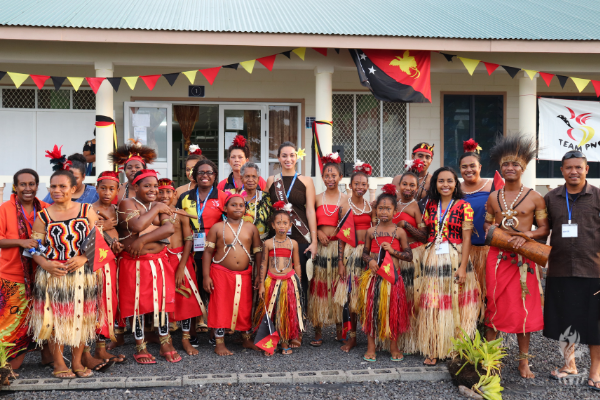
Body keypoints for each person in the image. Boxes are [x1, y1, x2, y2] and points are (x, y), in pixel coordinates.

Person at [29, 146, 111, 378]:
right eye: (53, 186)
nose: (57, 190)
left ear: (73, 188)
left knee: (81, 318)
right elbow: (34, 249)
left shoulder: (87, 210)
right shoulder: (43, 216)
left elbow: (99, 241)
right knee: (55, 320)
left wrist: (84, 257)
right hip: (54, 275)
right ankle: (58, 364)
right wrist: (45, 264)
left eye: (62, 186)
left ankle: (76, 362)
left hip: (83, 274)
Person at [483, 134, 549, 379]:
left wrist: (527, 235)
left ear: (523, 167)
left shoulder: (535, 197)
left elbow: (544, 228)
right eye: (505, 165)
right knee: (494, 305)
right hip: (497, 258)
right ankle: (491, 361)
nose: (510, 168)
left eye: (515, 164)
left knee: (524, 309)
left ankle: (523, 363)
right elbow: (487, 226)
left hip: (524, 259)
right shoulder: (493, 197)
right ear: (500, 168)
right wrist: (497, 233)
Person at [543, 150, 600, 390]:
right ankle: (570, 365)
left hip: (593, 269)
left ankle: (596, 372)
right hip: (559, 268)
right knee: (565, 320)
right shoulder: (551, 198)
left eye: (579, 167)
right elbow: (540, 229)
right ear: (562, 170)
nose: (573, 171)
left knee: (595, 324)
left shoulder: (598, 197)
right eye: (569, 167)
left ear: (587, 169)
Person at [116, 169, 181, 364]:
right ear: (135, 187)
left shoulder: (157, 205)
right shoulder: (127, 203)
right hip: (134, 263)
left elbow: (169, 228)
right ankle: (140, 345)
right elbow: (136, 226)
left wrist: (142, 241)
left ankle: (164, 341)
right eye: (147, 186)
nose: (153, 190)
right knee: (137, 305)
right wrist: (156, 208)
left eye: (155, 186)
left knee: (161, 303)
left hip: (158, 261)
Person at [419, 167, 481, 366]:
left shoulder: (464, 207)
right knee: (434, 304)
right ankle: (435, 347)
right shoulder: (430, 206)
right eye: (441, 181)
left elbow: (467, 238)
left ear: (456, 184)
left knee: (457, 304)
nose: (445, 185)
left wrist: (463, 267)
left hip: (455, 258)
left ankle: (457, 348)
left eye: (450, 181)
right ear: (435, 184)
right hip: (433, 260)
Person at [0, 169, 52, 370]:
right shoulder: (5, 208)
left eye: (32, 184)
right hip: (12, 277)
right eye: (23, 184)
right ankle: (5, 364)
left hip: (42, 274)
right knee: (10, 323)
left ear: (37, 186)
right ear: (15, 187)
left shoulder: (46, 208)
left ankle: (48, 357)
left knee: (44, 317)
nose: (27, 188)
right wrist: (22, 242)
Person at [202, 194, 263, 356]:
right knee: (220, 306)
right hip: (220, 273)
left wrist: (258, 275)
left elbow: (257, 252)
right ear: (225, 208)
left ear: (245, 208)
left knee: (244, 307)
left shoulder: (251, 228)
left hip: (244, 274)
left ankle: (246, 338)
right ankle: (219, 342)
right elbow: (207, 252)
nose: (238, 208)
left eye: (241, 205)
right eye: (233, 205)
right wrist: (206, 276)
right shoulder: (217, 227)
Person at [359, 184, 412, 362]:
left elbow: (408, 256)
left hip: (393, 279)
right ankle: (371, 346)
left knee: (393, 312)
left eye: (388, 208)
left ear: (395, 211)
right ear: (375, 210)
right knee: (371, 313)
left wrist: (393, 251)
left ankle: (393, 346)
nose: (383, 212)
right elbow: (364, 253)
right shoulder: (370, 231)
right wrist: (371, 261)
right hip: (373, 279)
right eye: (380, 208)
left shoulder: (400, 232)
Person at [176, 159, 229, 334]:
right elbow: (176, 222)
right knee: (193, 288)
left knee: (215, 290)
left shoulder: (223, 196)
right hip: (190, 248)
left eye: (209, 173)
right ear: (194, 176)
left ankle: (217, 332)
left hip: (216, 250)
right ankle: (190, 331)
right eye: (200, 173)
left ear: (215, 176)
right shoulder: (184, 197)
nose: (205, 176)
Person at [266, 142, 318, 312]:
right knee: (275, 278)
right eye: (284, 155)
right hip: (277, 238)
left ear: (297, 157)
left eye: (292, 155)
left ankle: (299, 322)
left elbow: (310, 211)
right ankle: (277, 320)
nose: (288, 159)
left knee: (300, 279)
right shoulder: (272, 181)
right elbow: (266, 211)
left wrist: (314, 241)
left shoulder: (307, 181)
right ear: (279, 158)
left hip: (300, 236)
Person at [157, 178, 204, 356]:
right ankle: (164, 338)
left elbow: (188, 240)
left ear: (175, 194)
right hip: (161, 261)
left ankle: (185, 338)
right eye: (160, 192)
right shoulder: (154, 214)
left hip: (180, 260)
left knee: (186, 299)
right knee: (162, 299)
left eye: (168, 192)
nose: (164, 195)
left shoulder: (181, 214)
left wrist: (182, 266)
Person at [334, 161, 374, 353]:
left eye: (363, 184)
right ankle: (352, 337)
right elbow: (341, 238)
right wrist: (341, 262)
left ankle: (371, 338)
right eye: (356, 184)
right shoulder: (344, 206)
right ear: (350, 186)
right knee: (351, 298)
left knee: (368, 296)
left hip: (368, 256)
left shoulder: (371, 207)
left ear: (368, 187)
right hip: (351, 255)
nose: (360, 187)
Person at [309, 153, 348, 347]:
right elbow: (310, 221)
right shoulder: (316, 198)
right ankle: (317, 330)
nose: (330, 179)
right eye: (326, 175)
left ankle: (340, 330)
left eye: (334, 175)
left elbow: (351, 225)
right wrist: (316, 234)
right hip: (321, 250)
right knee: (319, 288)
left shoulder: (347, 198)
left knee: (338, 287)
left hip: (338, 248)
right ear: (322, 177)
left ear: (340, 177)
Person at [254, 204, 303, 355]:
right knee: (270, 312)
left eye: (285, 223)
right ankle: (269, 343)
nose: (282, 225)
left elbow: (298, 264)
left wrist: (298, 283)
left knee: (286, 313)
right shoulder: (268, 243)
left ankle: (284, 341)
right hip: (271, 281)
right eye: (278, 223)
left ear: (290, 225)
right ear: (273, 225)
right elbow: (263, 264)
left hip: (288, 282)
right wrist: (262, 285)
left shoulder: (293, 243)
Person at [91, 171, 126, 364]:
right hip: (99, 264)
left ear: (118, 190)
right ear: (96, 188)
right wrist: (101, 228)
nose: (107, 192)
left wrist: (116, 243)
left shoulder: (118, 209)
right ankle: (96, 350)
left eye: (111, 188)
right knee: (101, 303)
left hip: (116, 262)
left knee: (112, 303)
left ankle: (103, 347)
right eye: (103, 188)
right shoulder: (89, 210)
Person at [392, 171, 428, 355]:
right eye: (405, 184)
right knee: (398, 299)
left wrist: (406, 226)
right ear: (399, 186)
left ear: (417, 188)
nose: (408, 188)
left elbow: (424, 235)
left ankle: (414, 341)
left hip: (414, 255)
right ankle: (397, 340)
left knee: (414, 298)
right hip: (395, 256)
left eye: (412, 185)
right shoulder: (390, 204)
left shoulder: (416, 207)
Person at [459, 139, 493, 300]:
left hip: (487, 248)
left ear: (480, 167)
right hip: (463, 249)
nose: (468, 169)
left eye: (473, 165)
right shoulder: (454, 189)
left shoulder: (493, 185)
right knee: (467, 292)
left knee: (489, 288)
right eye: (464, 167)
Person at [392, 142, 434, 213]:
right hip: (399, 218)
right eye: (420, 156)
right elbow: (390, 201)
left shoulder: (433, 181)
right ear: (412, 157)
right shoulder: (398, 179)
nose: (424, 160)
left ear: (431, 160)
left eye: (427, 157)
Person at [240, 162, 271, 241]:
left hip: (263, 244)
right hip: (239, 244)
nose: (250, 180)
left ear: (258, 179)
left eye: (254, 176)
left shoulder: (267, 198)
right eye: (247, 176)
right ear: (241, 178)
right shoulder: (234, 196)